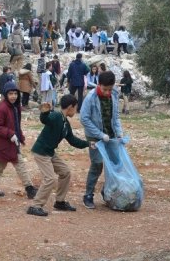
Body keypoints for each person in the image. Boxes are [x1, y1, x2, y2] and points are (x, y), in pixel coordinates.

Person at [27, 95, 91, 217]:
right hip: (41, 152)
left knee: (65, 172)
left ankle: (59, 202)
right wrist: (44, 112)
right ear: (71, 107)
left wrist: (88, 144)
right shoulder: (56, 116)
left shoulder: (65, 122)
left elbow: (72, 140)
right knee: (50, 178)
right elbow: (46, 119)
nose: (76, 110)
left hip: (50, 152)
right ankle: (35, 206)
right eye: (76, 107)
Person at [0, 81, 38, 200]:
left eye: (15, 93)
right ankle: (29, 188)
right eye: (10, 94)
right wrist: (11, 134)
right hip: (5, 143)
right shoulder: (2, 108)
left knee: (1, 164)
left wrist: (20, 136)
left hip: (11, 142)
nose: (13, 96)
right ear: (6, 94)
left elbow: (16, 125)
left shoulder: (15, 107)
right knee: (19, 163)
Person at [79, 70, 124, 209]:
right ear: (99, 85)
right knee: (97, 164)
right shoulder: (91, 97)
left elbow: (115, 116)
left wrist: (119, 133)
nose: (107, 92)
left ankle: (108, 190)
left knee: (116, 164)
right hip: (94, 136)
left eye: (109, 89)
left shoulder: (114, 94)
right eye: (104, 89)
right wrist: (99, 135)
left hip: (110, 134)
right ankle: (88, 195)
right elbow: (84, 119)